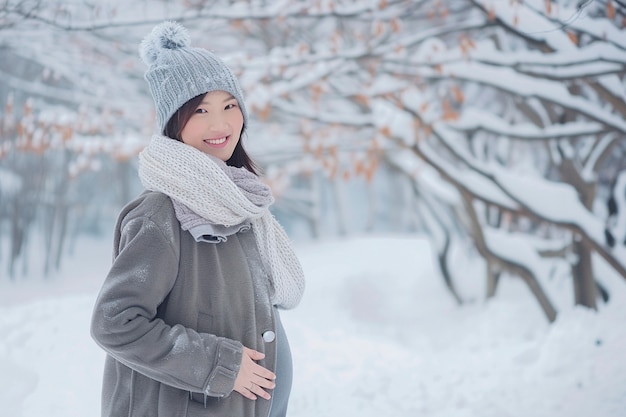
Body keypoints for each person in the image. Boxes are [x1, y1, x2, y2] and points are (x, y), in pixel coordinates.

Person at [90, 21, 305, 417]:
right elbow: (114, 322)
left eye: (229, 105)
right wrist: (218, 365)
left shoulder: (239, 202)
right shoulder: (162, 213)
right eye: (200, 110)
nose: (220, 124)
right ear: (175, 122)